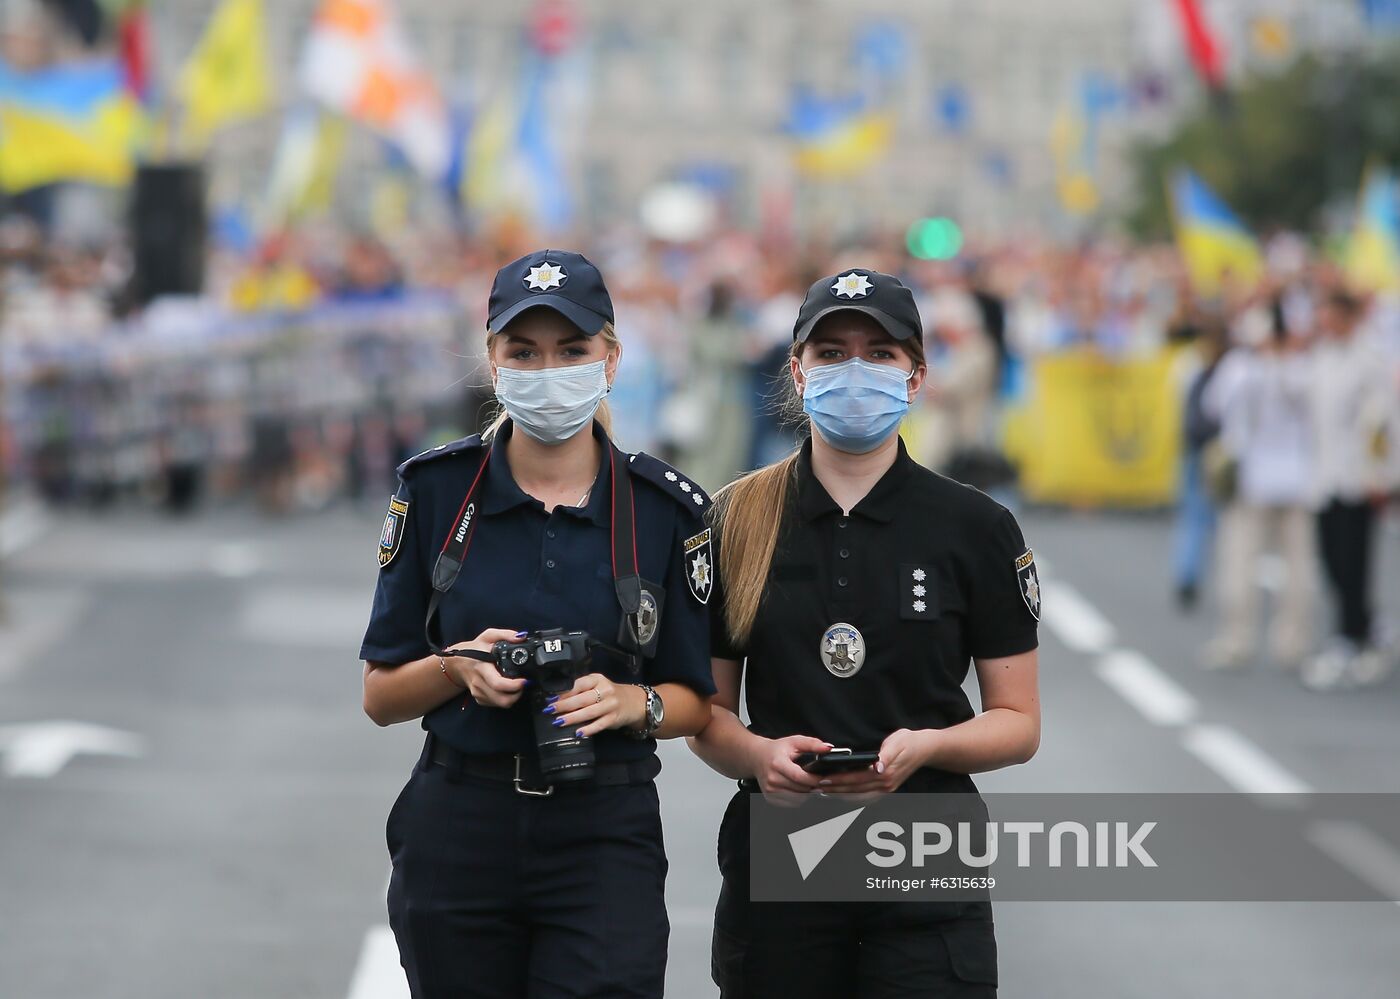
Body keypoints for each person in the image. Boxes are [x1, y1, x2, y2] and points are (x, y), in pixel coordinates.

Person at [359, 249, 716, 999]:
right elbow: (381, 696)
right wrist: (456, 667)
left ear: (611, 360)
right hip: (459, 819)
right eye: (523, 352)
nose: (547, 371)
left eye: (571, 350)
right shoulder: (437, 491)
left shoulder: (663, 509)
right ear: (492, 361)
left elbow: (696, 699)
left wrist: (632, 702)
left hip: (604, 827)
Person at [689, 268, 1042, 998]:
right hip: (783, 853)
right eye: (831, 353)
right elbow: (707, 713)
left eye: (880, 353)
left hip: (925, 851)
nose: (855, 370)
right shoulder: (736, 517)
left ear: (917, 376)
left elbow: (1018, 722)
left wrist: (928, 747)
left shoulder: (975, 527)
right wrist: (759, 755)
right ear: (798, 372)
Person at [1303, 290, 1400, 689]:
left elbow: (1382, 424)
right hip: (1324, 476)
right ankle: (1369, 629)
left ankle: (1349, 638)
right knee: (1329, 558)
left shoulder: (1368, 360)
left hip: (1357, 479)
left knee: (1353, 561)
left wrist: (1381, 475)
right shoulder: (1321, 358)